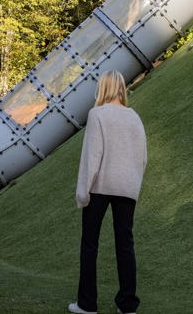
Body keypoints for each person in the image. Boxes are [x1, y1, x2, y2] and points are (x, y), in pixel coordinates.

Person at [69, 70, 147, 314]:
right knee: (125, 244)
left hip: (100, 187)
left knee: (90, 243)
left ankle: (87, 304)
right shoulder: (134, 117)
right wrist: (133, 183)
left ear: (102, 88)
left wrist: (83, 193)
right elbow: (142, 157)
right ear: (122, 88)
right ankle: (128, 305)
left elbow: (92, 156)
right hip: (127, 187)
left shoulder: (97, 114)